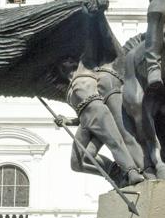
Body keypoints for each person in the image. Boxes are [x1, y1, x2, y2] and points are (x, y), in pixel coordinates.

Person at [57, 58, 144, 186]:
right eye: (65, 61)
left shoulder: (85, 69)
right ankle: (115, 172)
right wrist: (67, 121)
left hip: (99, 113)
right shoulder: (68, 88)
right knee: (77, 163)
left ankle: (132, 172)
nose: (67, 61)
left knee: (115, 143)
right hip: (85, 121)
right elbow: (82, 110)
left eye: (70, 59)